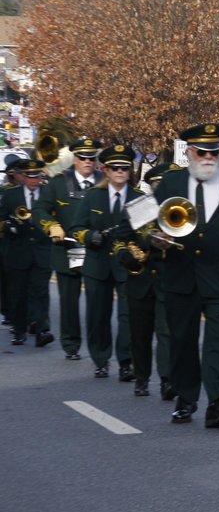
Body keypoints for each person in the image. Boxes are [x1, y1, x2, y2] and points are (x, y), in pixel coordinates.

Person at [153, 123, 219, 427]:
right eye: (202, 152)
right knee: (182, 340)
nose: (209, 158)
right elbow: (143, 219)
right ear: (188, 153)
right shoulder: (170, 182)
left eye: (214, 152)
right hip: (180, 276)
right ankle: (185, 399)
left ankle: (218, 402)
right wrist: (152, 238)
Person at [70, 145, 139, 380]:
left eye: (124, 167)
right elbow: (76, 228)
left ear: (130, 170)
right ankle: (101, 359)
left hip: (128, 266)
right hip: (97, 265)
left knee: (128, 315)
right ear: (106, 170)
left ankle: (126, 361)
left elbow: (146, 232)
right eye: (115, 167)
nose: (120, 171)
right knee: (98, 315)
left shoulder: (139, 198)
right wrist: (90, 237)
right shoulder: (93, 196)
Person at [33, 137, 104, 360]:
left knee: (98, 305)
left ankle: (99, 351)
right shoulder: (58, 183)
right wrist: (51, 225)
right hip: (68, 249)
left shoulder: (105, 181)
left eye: (91, 158)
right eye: (82, 157)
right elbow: (39, 210)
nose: (87, 161)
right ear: (75, 159)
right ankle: (71, 344)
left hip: (97, 250)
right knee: (69, 302)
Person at [115, 162, 177, 398]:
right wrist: (131, 252)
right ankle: (141, 378)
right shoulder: (140, 206)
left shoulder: (179, 207)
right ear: (151, 186)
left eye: (165, 184)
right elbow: (121, 238)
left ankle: (167, 380)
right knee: (140, 334)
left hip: (169, 279)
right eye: (157, 184)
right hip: (140, 278)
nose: (161, 188)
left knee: (167, 332)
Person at [0, 158, 54, 348]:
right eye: (30, 176)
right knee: (18, 293)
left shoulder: (48, 194)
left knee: (41, 292)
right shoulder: (11, 195)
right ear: (22, 177)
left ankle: (42, 330)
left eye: (37, 176)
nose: (33, 180)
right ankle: (19, 329)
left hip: (42, 250)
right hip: (17, 251)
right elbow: (1, 218)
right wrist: (7, 225)